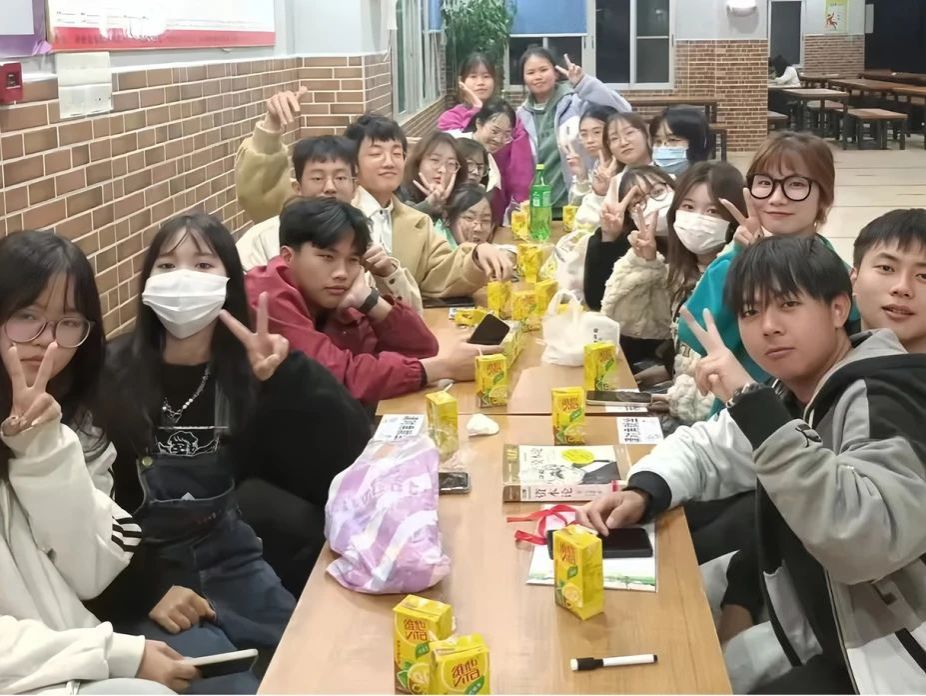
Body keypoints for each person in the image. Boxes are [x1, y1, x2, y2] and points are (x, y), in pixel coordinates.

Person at [579, 235, 926, 694]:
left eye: (788, 305)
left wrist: (749, 401)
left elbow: (862, 539)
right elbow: (709, 448)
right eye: (750, 312)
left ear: (839, 309)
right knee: (650, 604)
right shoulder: (799, 391)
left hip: (895, 656)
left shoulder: (886, 396)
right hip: (822, 615)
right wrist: (644, 489)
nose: (768, 327)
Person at [92, 213, 372, 645]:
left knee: (306, 654)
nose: (183, 278)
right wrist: (146, 586)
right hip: (145, 568)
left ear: (228, 283)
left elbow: (350, 450)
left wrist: (286, 374)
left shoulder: (249, 370)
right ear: (147, 283)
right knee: (219, 673)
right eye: (166, 265)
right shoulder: (110, 372)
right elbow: (89, 510)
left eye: (203, 264)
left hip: (230, 556)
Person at [0, 230, 200, 695]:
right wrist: (115, 654)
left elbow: (90, 571)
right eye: (27, 316)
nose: (48, 341)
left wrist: (41, 447)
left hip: (66, 652)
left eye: (68, 322)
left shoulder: (79, 422)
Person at [676, 131, 858, 410]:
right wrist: (740, 260)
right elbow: (696, 334)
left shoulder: (842, 278)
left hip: (811, 420)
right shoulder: (734, 261)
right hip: (735, 413)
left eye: (796, 184)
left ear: (824, 196)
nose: (776, 198)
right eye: (764, 183)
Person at [246, 197, 490, 405]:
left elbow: (421, 350)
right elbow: (335, 378)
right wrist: (443, 368)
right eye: (327, 257)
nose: (341, 273)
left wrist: (372, 302)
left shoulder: (335, 294)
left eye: (353, 260)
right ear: (288, 256)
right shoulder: (267, 295)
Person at [234, 92, 423, 312]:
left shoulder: (365, 242)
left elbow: (411, 318)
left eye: (340, 178)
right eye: (317, 178)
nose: (330, 187)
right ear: (298, 188)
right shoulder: (263, 239)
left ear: (354, 187)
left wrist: (388, 274)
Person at [598, 162, 747, 425]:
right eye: (688, 207)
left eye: (713, 211)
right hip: (682, 402)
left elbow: (728, 382)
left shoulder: (742, 276)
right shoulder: (681, 270)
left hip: (719, 422)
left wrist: (676, 397)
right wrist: (644, 263)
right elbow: (631, 322)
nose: (698, 218)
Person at [345, 113, 513, 299]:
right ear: (353, 163)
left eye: (396, 153)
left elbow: (441, 272)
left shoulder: (417, 221)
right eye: (376, 154)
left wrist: (477, 254)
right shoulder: (341, 216)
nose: (389, 162)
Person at [516, 47, 630, 209]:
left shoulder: (577, 103)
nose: (538, 76)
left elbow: (623, 110)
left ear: (555, 73)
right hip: (538, 207)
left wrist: (583, 83)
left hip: (578, 200)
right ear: (523, 78)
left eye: (543, 70)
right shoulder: (521, 115)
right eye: (531, 72)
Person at [438, 52, 534, 223]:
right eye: (473, 76)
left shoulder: (509, 119)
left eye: (486, 76)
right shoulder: (450, 118)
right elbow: (459, 145)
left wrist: (521, 205)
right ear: (462, 81)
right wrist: (476, 108)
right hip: (459, 201)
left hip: (498, 200)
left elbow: (521, 170)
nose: (480, 82)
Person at [449, 99, 525, 224]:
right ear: (479, 123)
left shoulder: (492, 170)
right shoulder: (452, 144)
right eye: (494, 131)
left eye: (506, 135)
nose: (499, 139)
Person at [574, 111, 652, 231]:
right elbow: (583, 225)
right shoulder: (615, 180)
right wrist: (600, 195)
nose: (623, 142)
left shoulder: (667, 173)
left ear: (646, 134)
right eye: (614, 138)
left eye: (629, 133)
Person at [400, 131, 469, 221]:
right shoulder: (399, 192)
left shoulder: (464, 200)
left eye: (451, 163)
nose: (443, 170)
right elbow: (399, 223)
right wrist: (428, 204)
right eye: (435, 160)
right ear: (418, 162)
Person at [562, 104, 617, 206]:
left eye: (597, 132)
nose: (589, 140)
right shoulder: (596, 165)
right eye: (584, 134)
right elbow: (577, 207)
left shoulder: (625, 168)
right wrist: (582, 176)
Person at [649, 107, 711, 176]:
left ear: (697, 142)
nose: (662, 147)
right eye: (658, 141)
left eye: (672, 140)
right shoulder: (649, 179)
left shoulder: (714, 180)